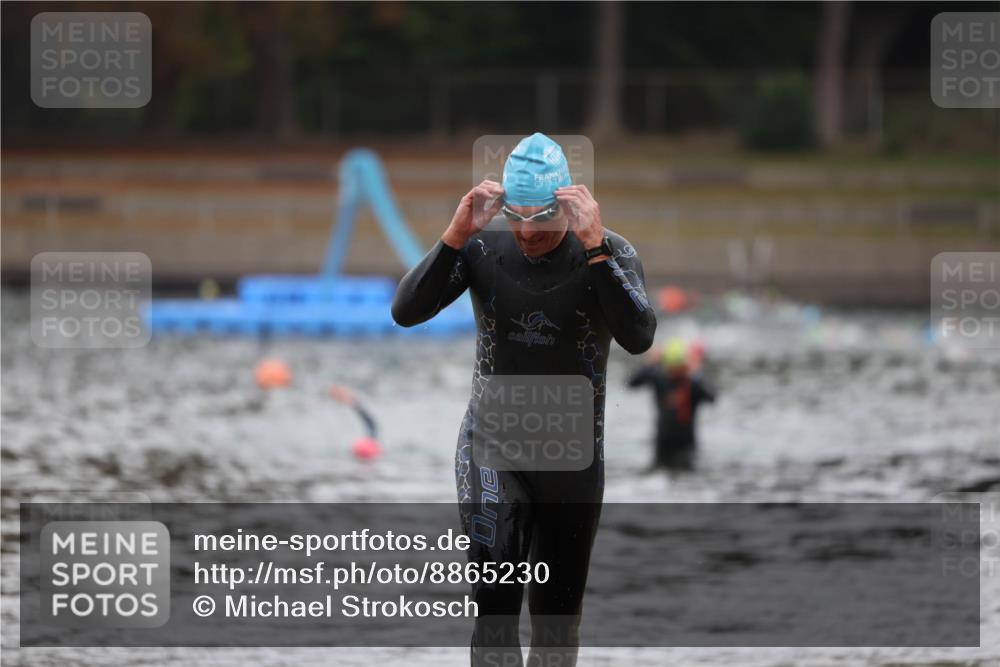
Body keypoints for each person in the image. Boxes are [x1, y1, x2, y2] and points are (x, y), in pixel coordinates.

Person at [391, 133, 656, 666]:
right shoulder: (483, 246)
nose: (528, 231)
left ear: (566, 204)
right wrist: (454, 236)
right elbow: (406, 311)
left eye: (542, 217)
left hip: (572, 458)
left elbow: (640, 336)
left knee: (557, 628)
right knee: (495, 605)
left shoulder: (610, 249)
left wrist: (597, 248)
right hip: (492, 446)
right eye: (517, 216)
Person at [627, 337, 716, 471]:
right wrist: (650, 363)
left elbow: (712, 397)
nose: (673, 372)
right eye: (670, 368)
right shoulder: (659, 377)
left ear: (685, 366)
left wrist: (698, 373)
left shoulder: (693, 383)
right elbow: (632, 383)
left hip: (686, 445)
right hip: (663, 443)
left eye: (678, 368)